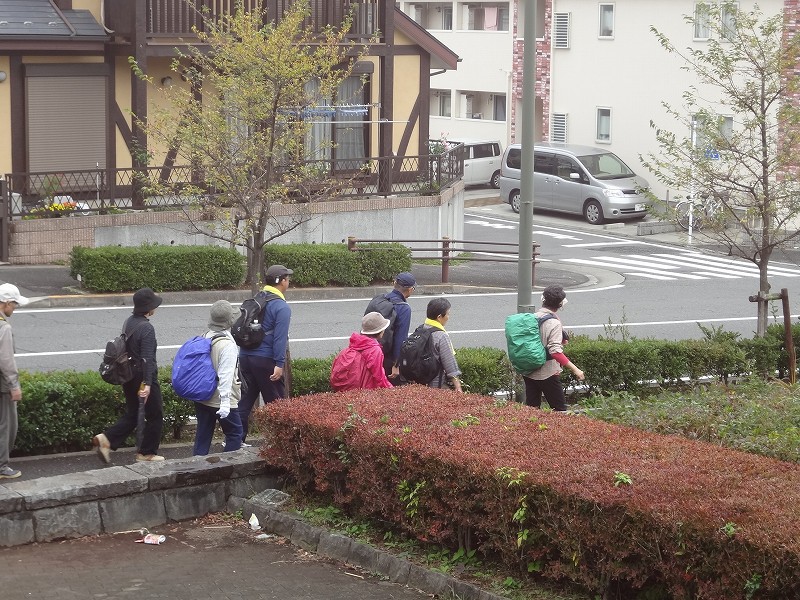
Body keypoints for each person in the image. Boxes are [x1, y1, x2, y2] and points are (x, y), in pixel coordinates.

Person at [93, 288, 165, 463]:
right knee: (155, 415)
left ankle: (106, 439)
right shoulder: (147, 328)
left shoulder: (129, 322)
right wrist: (148, 384)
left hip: (128, 375)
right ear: (148, 307)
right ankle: (146, 453)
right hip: (143, 378)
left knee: (133, 413)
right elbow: (147, 359)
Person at [238, 264, 292, 443]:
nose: (288, 282)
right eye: (287, 279)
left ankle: (235, 441)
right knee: (276, 404)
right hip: (265, 360)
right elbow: (280, 339)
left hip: (245, 356)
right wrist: (279, 364)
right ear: (282, 281)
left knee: (245, 401)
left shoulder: (258, 298)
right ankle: (281, 443)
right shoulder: (281, 307)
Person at [193, 300, 244, 456]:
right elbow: (226, 375)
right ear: (229, 321)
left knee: (202, 436)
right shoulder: (227, 345)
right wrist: (225, 403)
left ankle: (196, 466)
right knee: (235, 434)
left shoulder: (204, 336)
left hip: (203, 396)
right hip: (220, 399)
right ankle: (227, 466)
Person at [523, 285, 584, 411]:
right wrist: (576, 369)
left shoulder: (532, 317)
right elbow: (555, 352)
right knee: (560, 411)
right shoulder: (553, 323)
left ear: (543, 299)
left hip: (528, 370)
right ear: (560, 304)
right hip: (547, 372)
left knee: (532, 411)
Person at [0, 284, 29, 479]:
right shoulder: (3, 327)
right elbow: (6, 360)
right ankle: (1, 467)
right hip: (2, 385)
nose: (15, 308)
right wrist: (14, 386)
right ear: (6, 303)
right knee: (6, 426)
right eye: (15, 304)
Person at [365, 272, 415, 381]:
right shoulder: (403, 308)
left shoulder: (378, 298)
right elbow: (401, 338)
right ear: (410, 289)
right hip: (387, 357)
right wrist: (396, 364)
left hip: (369, 351)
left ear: (394, 283)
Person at [330, 312, 394, 392]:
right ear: (380, 331)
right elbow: (379, 376)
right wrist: (391, 390)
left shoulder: (355, 343)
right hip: (365, 390)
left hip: (347, 390)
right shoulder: (374, 350)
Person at [421, 297, 463, 392]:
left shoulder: (421, 328)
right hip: (435, 384)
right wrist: (458, 386)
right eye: (448, 314)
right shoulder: (441, 336)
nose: (448, 317)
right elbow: (449, 363)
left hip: (418, 381)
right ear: (439, 317)